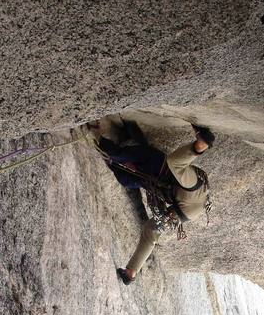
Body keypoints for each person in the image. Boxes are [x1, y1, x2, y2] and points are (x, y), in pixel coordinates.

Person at [88, 119, 214, 285]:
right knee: (130, 178)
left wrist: (99, 137)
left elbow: (121, 155)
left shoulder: (147, 159)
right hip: (190, 203)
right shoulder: (145, 164)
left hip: (192, 191)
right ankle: (131, 272)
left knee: (157, 165)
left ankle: (200, 146)